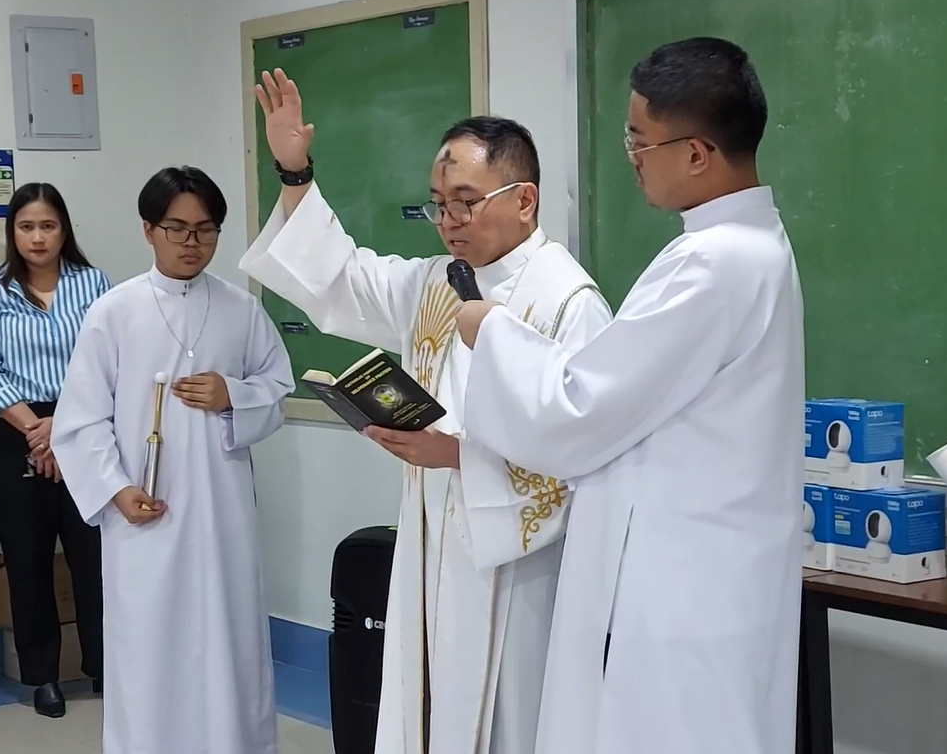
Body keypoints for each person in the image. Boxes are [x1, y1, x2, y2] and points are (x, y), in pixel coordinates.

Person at [243, 70, 613, 754]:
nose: (448, 222)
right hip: (431, 551)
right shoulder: (438, 284)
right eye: (439, 204)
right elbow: (339, 277)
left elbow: (590, 453)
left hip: (521, 575)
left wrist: (461, 456)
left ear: (524, 199)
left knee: (513, 722)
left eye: (466, 203)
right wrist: (293, 170)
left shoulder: (567, 303)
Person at [454, 37, 805, 754]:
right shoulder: (746, 244)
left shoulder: (711, 263)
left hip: (679, 587)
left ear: (698, 152)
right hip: (704, 575)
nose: (631, 156)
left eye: (640, 140)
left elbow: (580, 409)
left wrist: (491, 332)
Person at [50, 166, 293, 754]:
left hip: (221, 511)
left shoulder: (241, 308)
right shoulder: (115, 311)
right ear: (148, 230)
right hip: (144, 513)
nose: (192, 243)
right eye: (177, 229)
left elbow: (278, 387)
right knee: (149, 643)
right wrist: (113, 489)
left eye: (206, 231)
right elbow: (80, 418)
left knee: (227, 638)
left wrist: (232, 394)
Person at [0, 183, 111, 718]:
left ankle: (103, 666)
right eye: (26, 226)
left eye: (47, 225)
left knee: (92, 556)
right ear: (12, 232)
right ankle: (43, 677)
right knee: (27, 559)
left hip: (85, 427)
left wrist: (63, 426)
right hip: (14, 432)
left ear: (64, 230)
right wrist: (38, 431)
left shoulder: (94, 284)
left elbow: (108, 362)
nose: (37, 237)